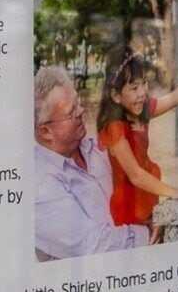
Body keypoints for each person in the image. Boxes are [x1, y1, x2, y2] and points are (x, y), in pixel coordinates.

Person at [28, 67, 148, 260]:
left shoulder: (92, 146)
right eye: (71, 112)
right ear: (46, 132)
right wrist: (147, 234)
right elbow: (92, 245)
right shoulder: (39, 186)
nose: (81, 111)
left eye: (77, 102)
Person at [94, 52, 178, 235]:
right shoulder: (114, 127)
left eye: (144, 83)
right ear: (116, 96)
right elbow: (135, 175)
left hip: (145, 199)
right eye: (134, 88)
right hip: (129, 211)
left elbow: (177, 95)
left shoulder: (140, 111)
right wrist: (175, 191)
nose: (142, 92)